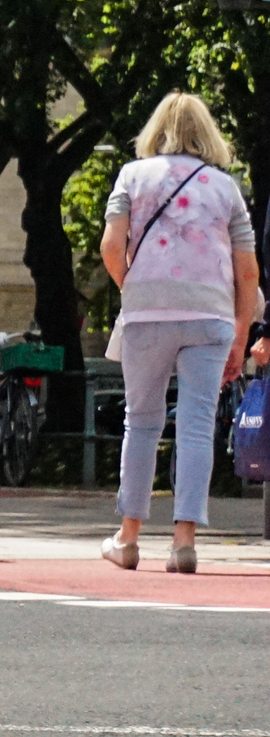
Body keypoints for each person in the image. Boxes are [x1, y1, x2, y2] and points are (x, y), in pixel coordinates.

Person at [97, 93, 258, 573]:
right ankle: (184, 542)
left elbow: (111, 244)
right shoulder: (225, 188)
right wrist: (241, 331)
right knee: (195, 424)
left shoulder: (131, 175)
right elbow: (247, 270)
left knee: (141, 421)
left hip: (148, 314)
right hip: (209, 315)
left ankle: (127, 538)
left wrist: (135, 286)